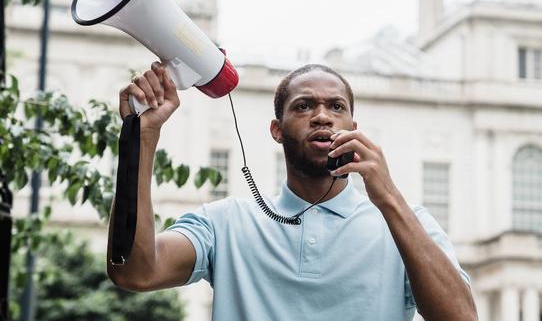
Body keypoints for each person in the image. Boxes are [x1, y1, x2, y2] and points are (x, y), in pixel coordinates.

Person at [108, 62, 477, 321]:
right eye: (304, 106)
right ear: (277, 130)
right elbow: (135, 272)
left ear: (353, 125)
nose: (322, 116)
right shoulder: (224, 223)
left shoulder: (408, 225)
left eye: (336, 106)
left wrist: (388, 198)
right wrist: (141, 137)